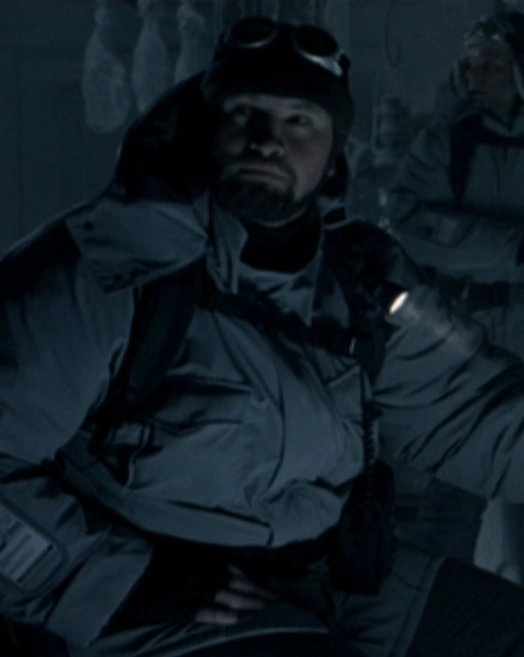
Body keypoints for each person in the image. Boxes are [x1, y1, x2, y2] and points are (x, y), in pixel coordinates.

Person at [4, 14, 524, 657]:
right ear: (207, 127)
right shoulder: (108, 267)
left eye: (299, 121)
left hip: (326, 579)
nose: (268, 141)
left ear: (333, 155)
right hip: (161, 604)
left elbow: (475, 414)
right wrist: (122, 583)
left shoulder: (361, 279)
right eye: (244, 113)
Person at [387, 9, 524, 584]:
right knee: (452, 490)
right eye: (471, 63)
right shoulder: (448, 140)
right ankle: (436, 608)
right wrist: (509, 247)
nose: (477, 74)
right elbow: (409, 221)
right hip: (464, 325)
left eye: (492, 62)